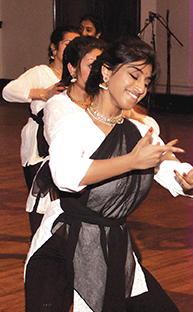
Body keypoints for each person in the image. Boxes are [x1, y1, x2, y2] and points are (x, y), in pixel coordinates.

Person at [24, 37, 193, 311]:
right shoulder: (72, 124)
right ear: (106, 72)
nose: (140, 88)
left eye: (147, 82)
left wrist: (187, 182)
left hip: (113, 245)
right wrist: (130, 161)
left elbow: (168, 168)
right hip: (62, 241)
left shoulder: (139, 131)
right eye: (134, 75)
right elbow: (65, 176)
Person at [24, 36, 106, 237]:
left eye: (103, 67)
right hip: (62, 191)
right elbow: (64, 148)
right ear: (72, 69)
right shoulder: (57, 105)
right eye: (91, 65)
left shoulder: (102, 103)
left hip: (97, 187)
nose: (99, 73)